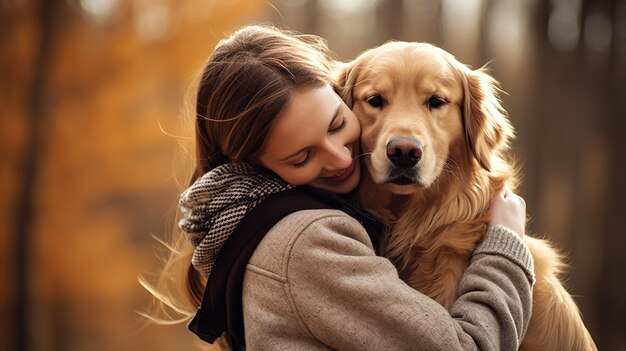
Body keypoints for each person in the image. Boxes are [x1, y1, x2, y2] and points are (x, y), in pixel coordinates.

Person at [146, 24, 534, 350]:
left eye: (336, 125)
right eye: (301, 157)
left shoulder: (288, 220)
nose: (342, 159)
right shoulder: (307, 245)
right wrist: (505, 247)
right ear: (254, 167)